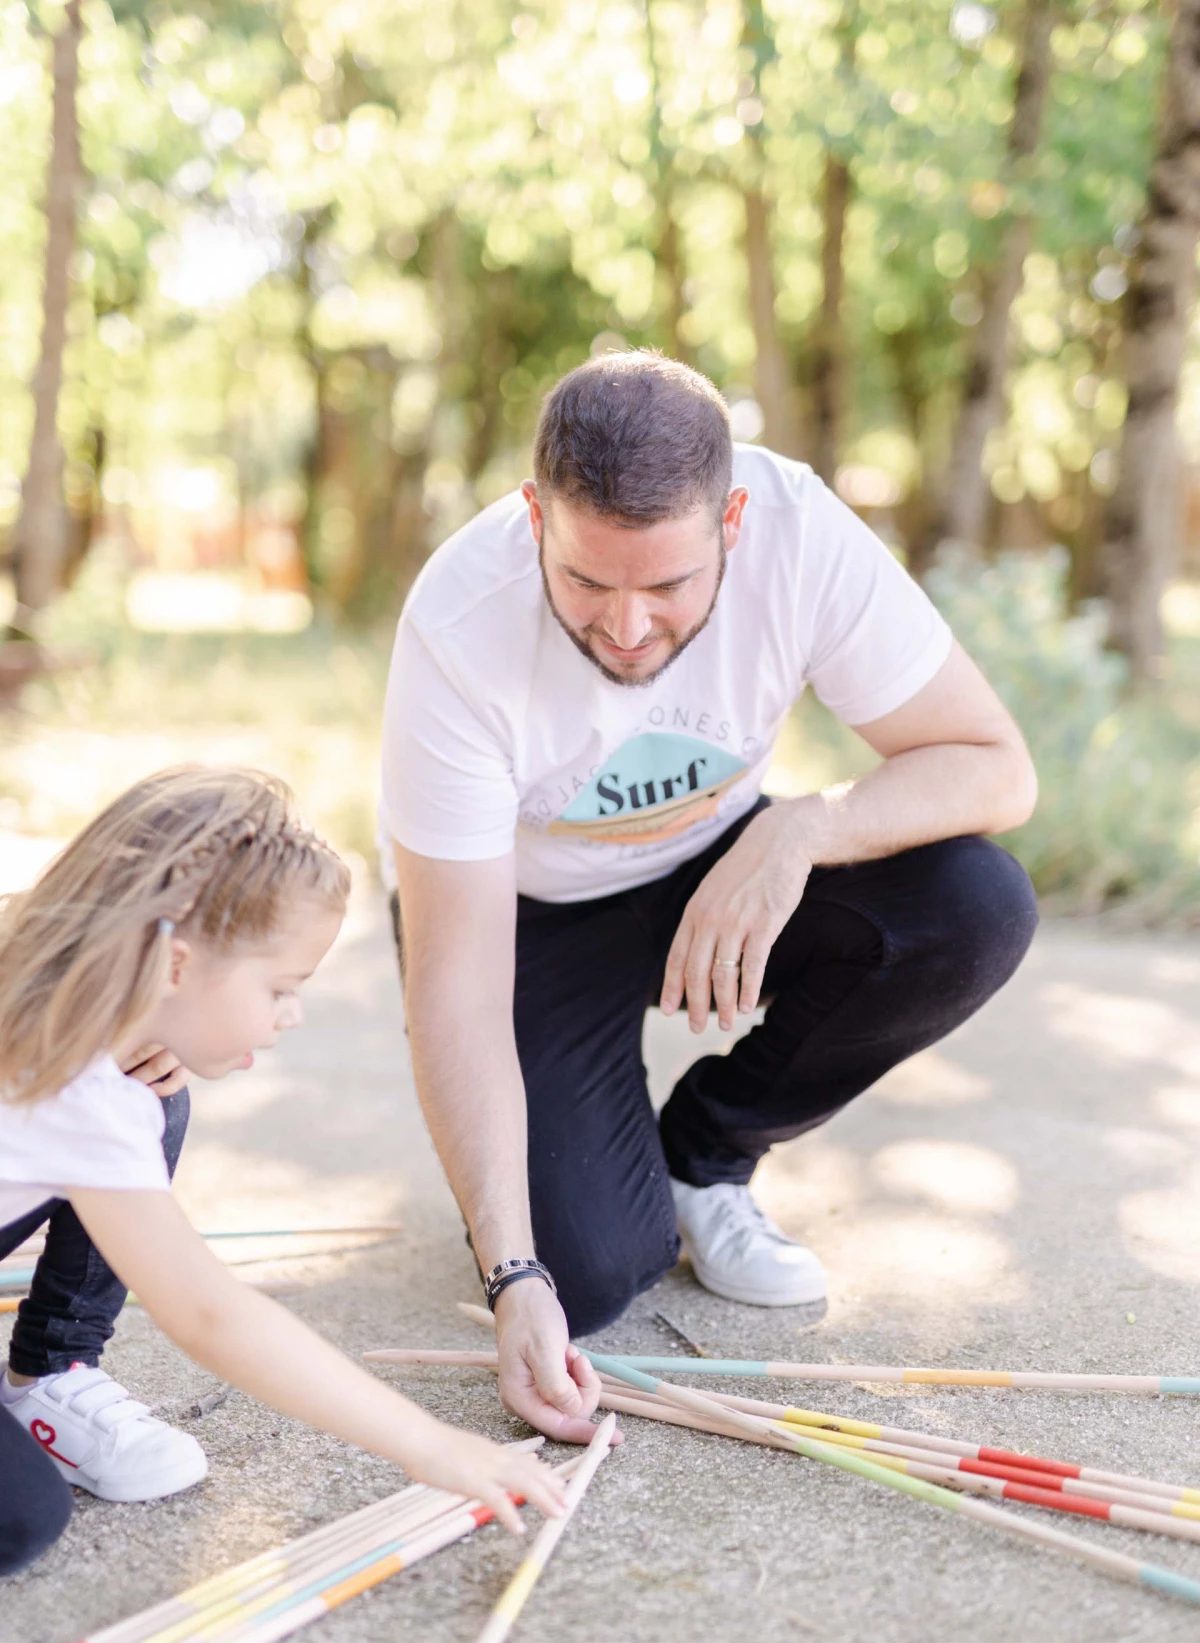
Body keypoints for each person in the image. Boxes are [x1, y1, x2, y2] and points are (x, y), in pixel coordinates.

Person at [381, 350, 1040, 1448]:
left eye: (669, 585)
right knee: (587, 1280)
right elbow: (454, 987)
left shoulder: (803, 534)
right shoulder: (458, 625)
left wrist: (804, 826)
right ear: (535, 513)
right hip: (528, 914)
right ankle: (610, 1193)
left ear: (732, 518)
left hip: (719, 854)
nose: (628, 627)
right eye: (587, 582)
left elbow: (993, 767)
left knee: (974, 906)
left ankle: (708, 1154)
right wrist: (511, 1274)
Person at [0, 766, 565, 1579]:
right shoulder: (76, 1096)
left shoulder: (81, 1033)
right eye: (281, 987)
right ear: (176, 965)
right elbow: (211, 1314)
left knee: (149, 1100)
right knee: (19, 1516)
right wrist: (431, 1443)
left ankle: (49, 1374)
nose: (292, 1013)